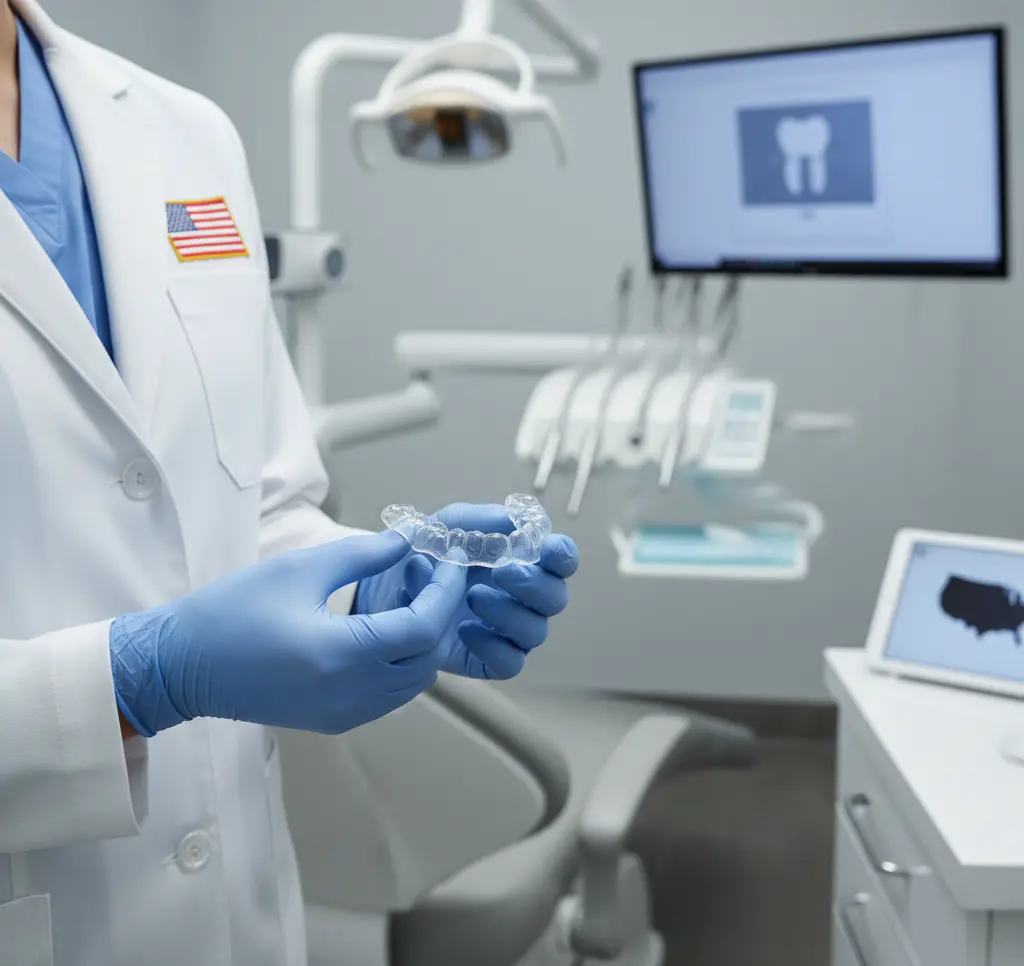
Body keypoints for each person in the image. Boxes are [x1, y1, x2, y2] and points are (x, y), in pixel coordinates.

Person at [0, 2, 580, 965]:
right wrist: (132, 682)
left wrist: (364, 585)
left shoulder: (182, 130)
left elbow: (254, 498)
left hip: (241, 909)